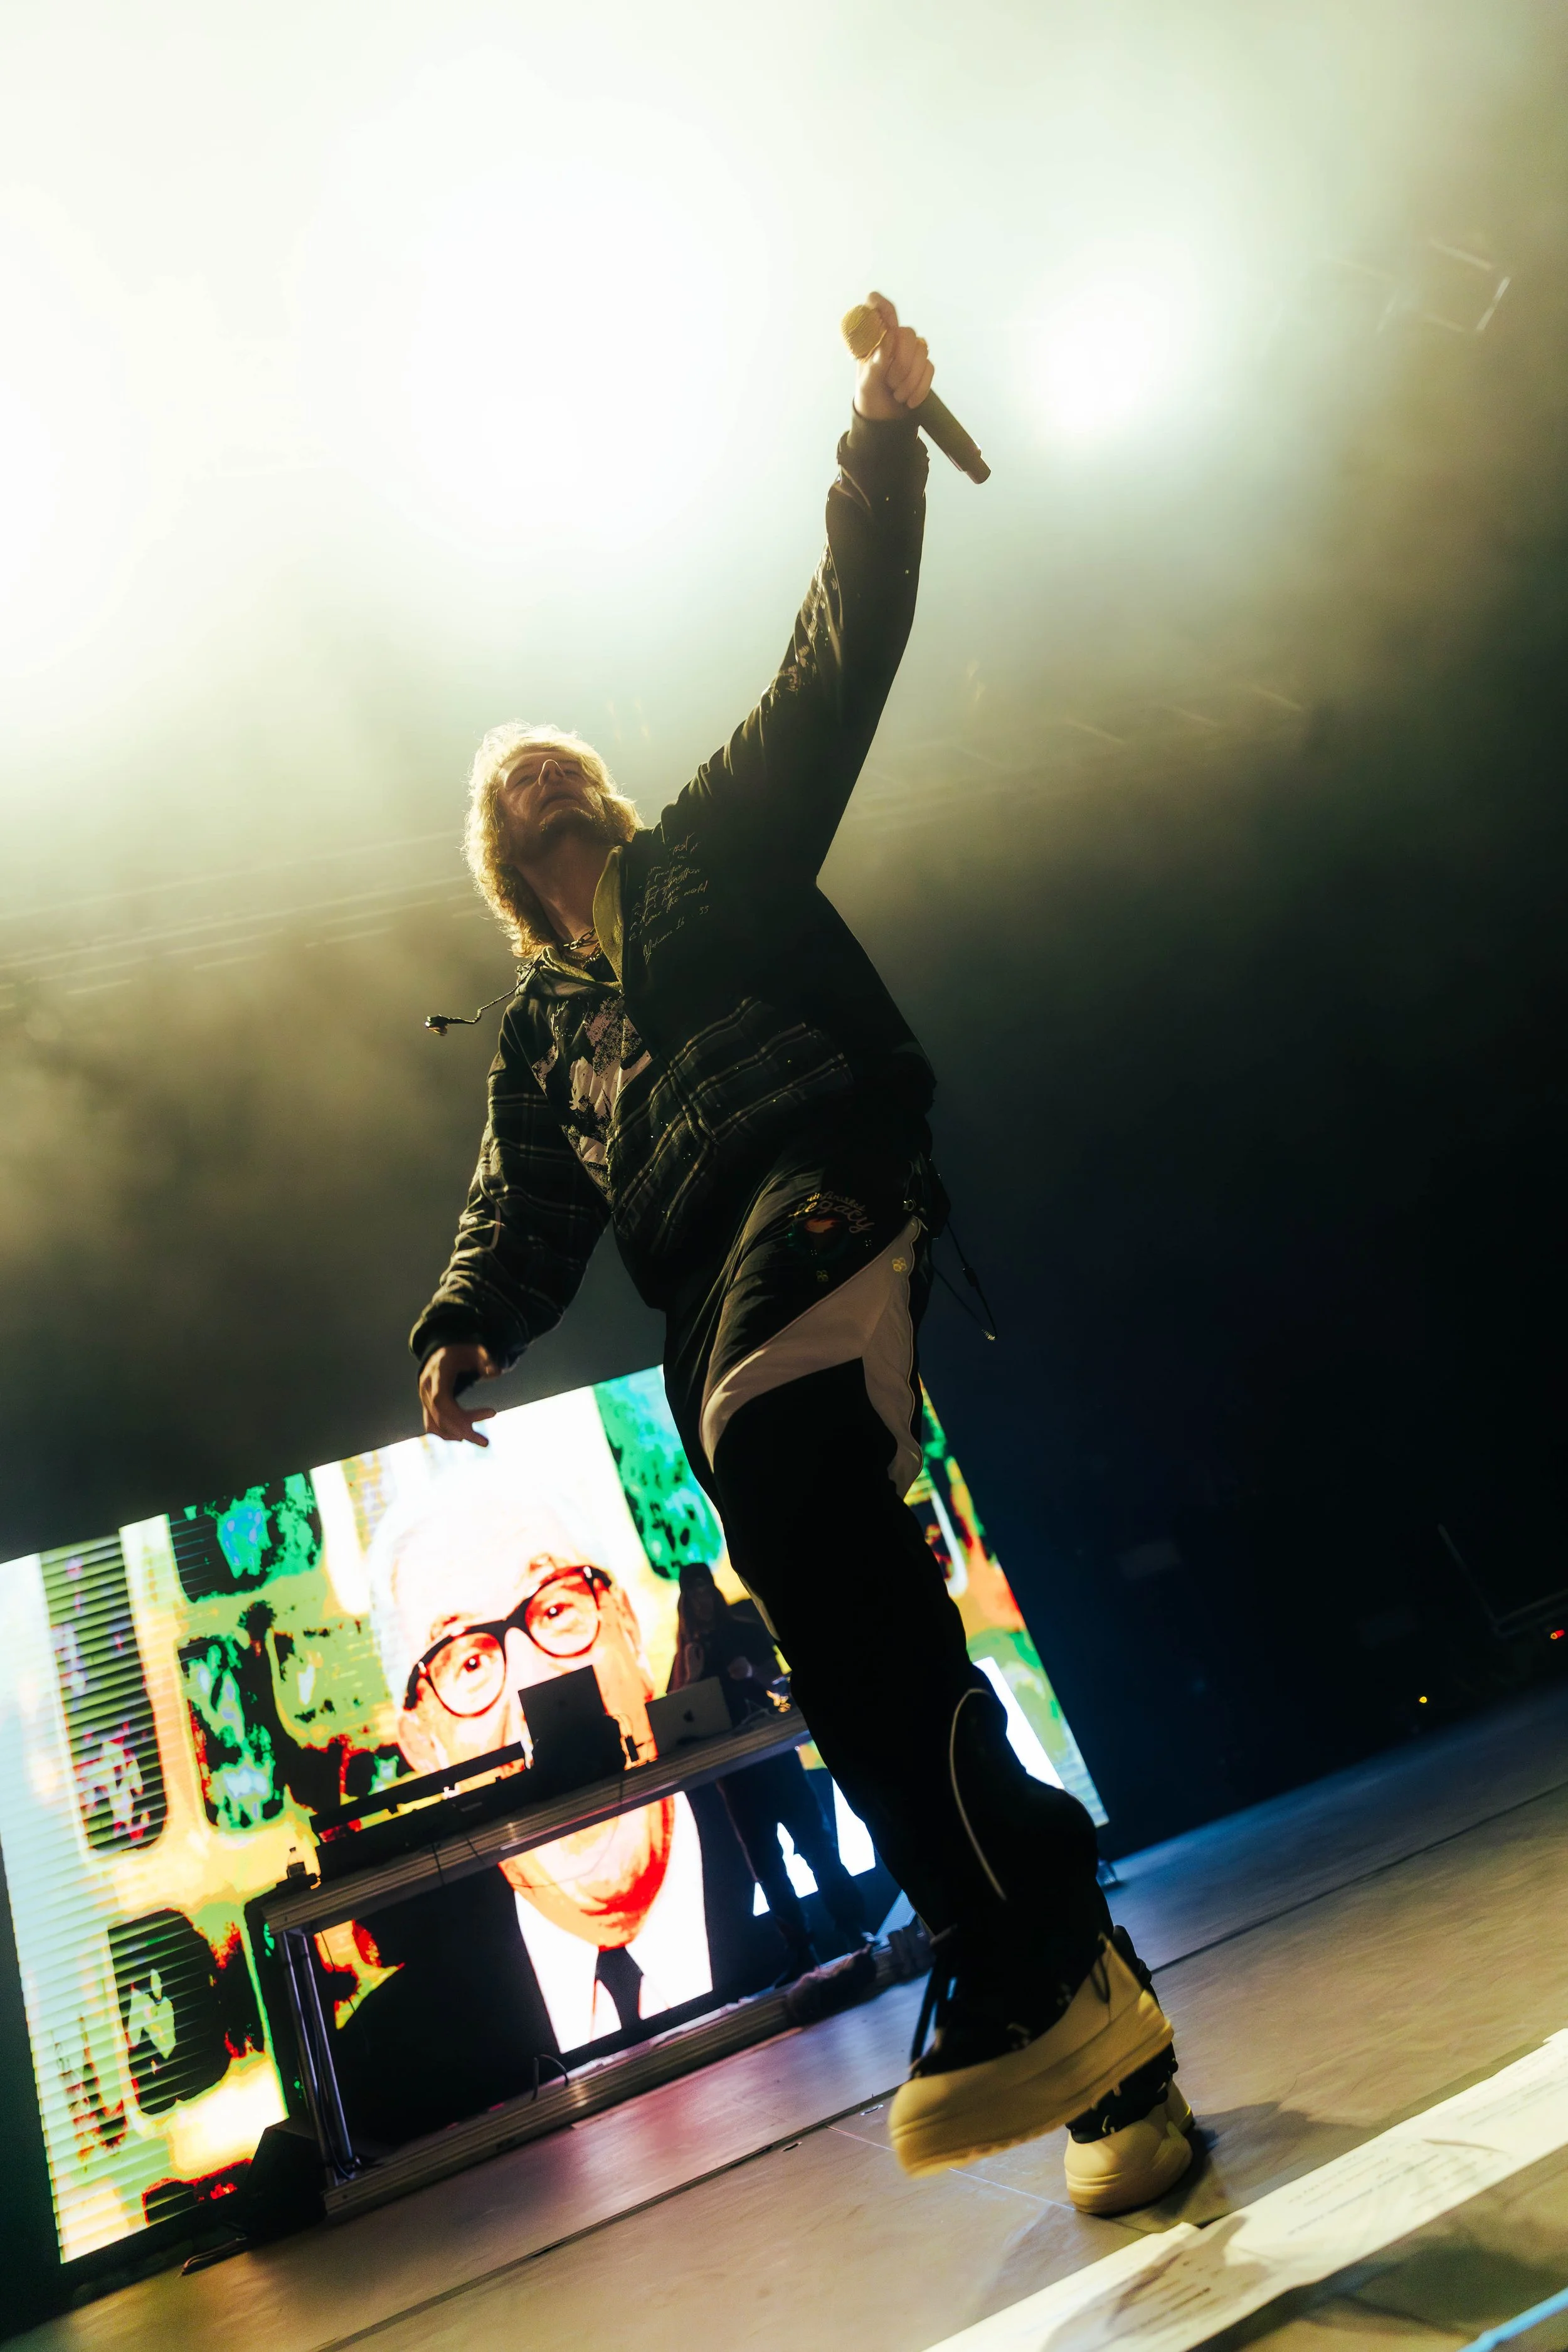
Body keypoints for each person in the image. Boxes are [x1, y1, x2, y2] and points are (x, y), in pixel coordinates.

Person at [411, 295, 1192, 2210]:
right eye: (503, 786)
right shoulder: (537, 1037)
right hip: (711, 1296)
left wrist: (875, 438)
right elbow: (521, 1199)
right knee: (835, 1626)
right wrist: (466, 1319)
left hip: (823, 1181)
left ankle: (1024, 1941)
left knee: (783, 1470)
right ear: (498, 864)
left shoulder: (710, 850)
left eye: (551, 760)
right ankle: (1087, 2023)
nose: (532, 780)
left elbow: (836, 649)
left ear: (596, 793)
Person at [367, 1486, 712, 2053]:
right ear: (426, 1749)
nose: (536, 1687)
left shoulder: (823, 1835)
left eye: (555, 1611)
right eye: (470, 1663)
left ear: (629, 1631)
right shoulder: (392, 2057)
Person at [669, 1561, 867, 1983]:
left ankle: (852, 1928)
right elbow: (676, 1719)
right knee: (767, 1867)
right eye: (694, 1594)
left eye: (706, 1590)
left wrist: (753, 1673)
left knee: (816, 1845)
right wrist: (692, 1676)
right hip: (736, 1776)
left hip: (775, 1760)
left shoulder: (745, 1630)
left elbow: (783, 1686)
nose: (702, 1600)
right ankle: (801, 1951)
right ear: (686, 1603)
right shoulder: (686, 1656)